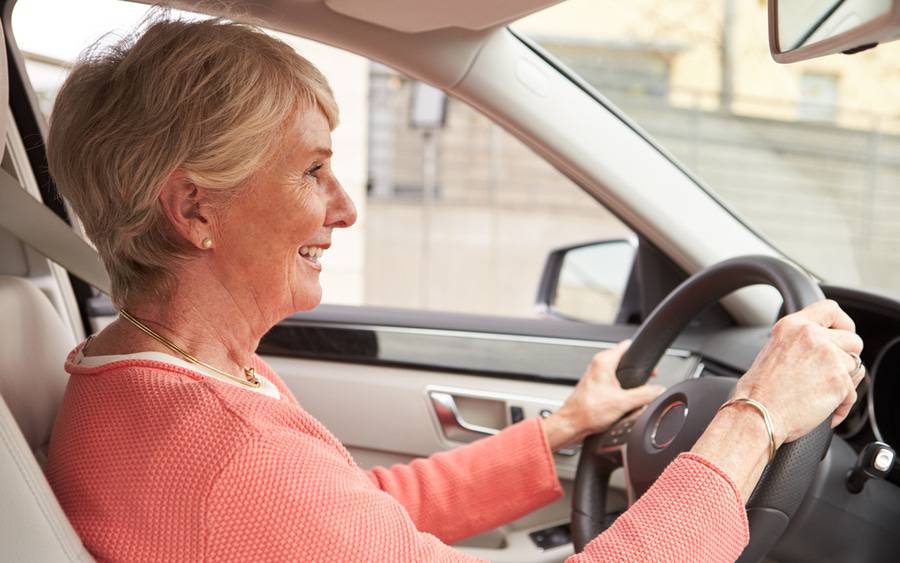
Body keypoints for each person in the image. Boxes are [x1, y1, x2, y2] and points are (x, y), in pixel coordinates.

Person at [44, 15, 864, 562]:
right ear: (195, 208)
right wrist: (754, 417)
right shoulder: (226, 453)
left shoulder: (141, 373)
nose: (346, 208)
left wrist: (560, 432)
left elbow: (359, 516)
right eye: (312, 171)